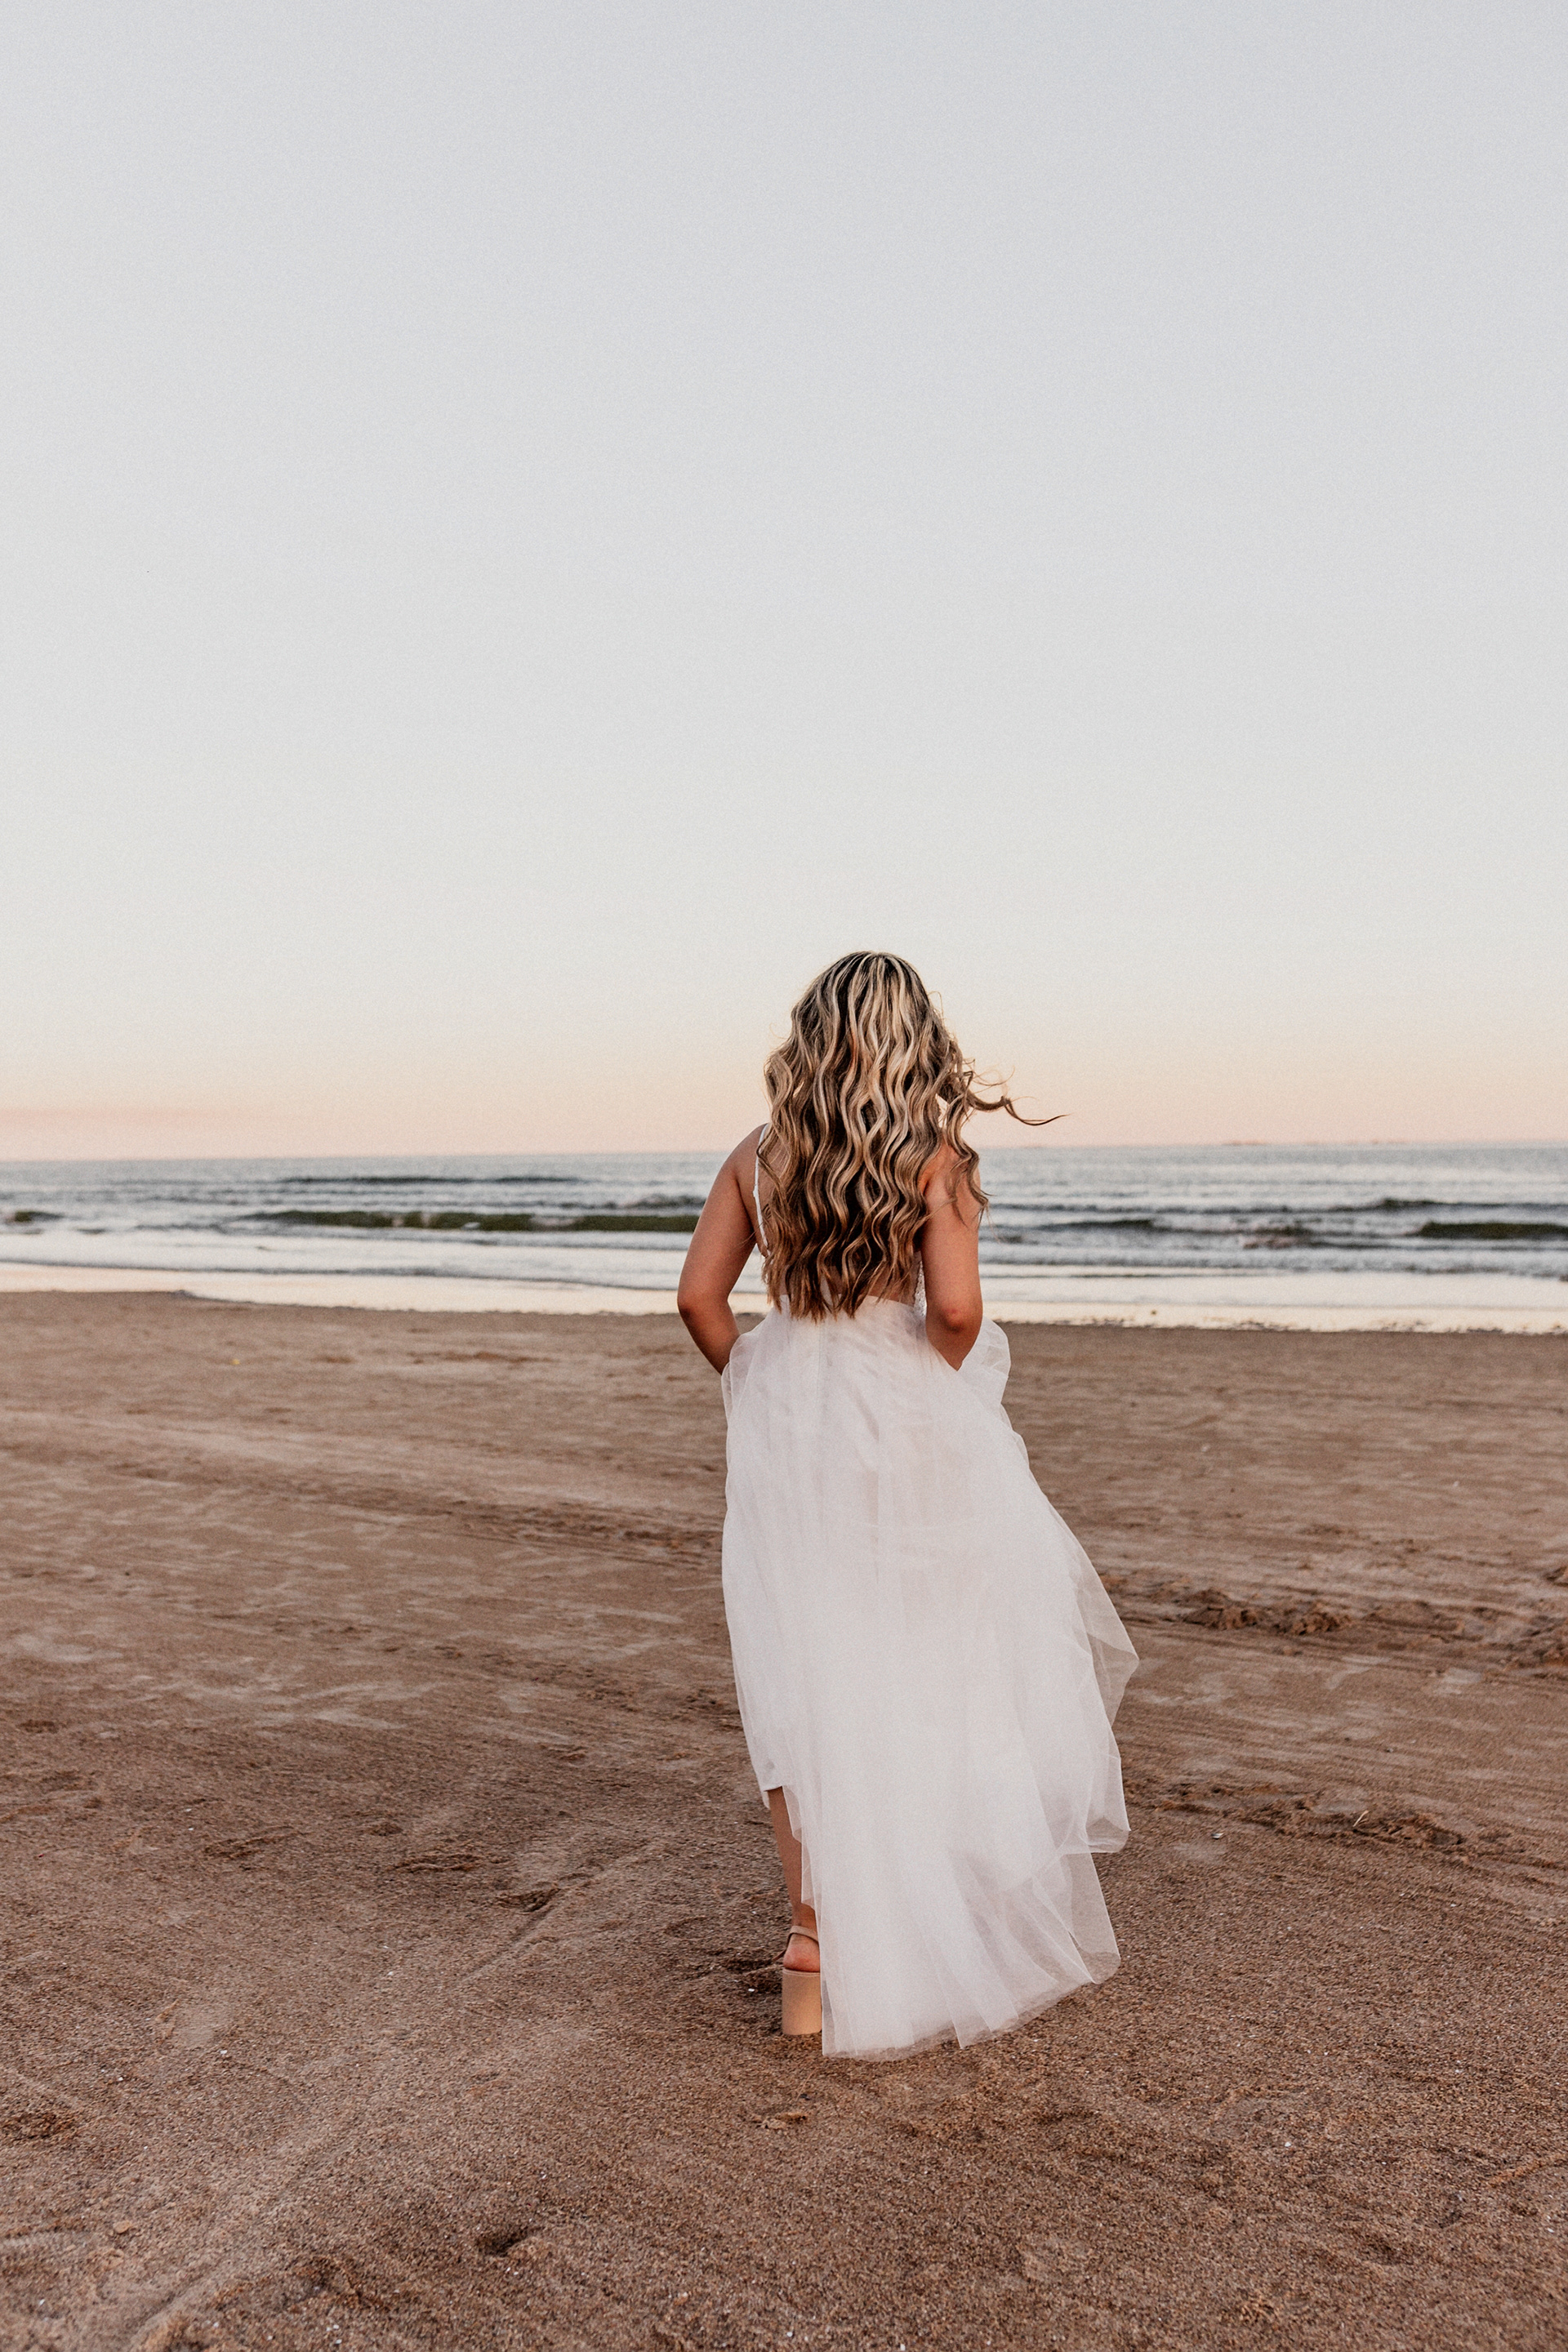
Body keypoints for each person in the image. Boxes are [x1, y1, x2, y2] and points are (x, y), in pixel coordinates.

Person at [677, 951, 1136, 2060]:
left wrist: (758, 1379)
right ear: (913, 1041)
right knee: (924, 1653)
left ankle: (811, 1948)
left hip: (789, 1423)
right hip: (898, 1414)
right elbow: (962, 1312)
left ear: (813, 1038)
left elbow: (698, 1299)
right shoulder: (934, 1160)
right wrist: (926, 1388)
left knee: (802, 1665)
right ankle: (929, 1913)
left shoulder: (757, 1155)